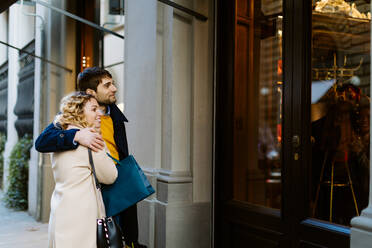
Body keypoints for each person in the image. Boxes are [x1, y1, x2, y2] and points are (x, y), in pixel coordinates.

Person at [35, 67, 146, 248]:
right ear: (90, 92)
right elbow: (41, 142)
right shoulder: (68, 120)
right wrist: (76, 136)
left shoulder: (115, 117)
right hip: (90, 192)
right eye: (107, 85)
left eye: (113, 84)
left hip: (117, 188)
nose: (114, 89)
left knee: (119, 237)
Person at [47, 92, 118, 247]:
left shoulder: (62, 137)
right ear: (79, 113)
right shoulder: (91, 139)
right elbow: (110, 175)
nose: (99, 114)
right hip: (83, 216)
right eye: (93, 109)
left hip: (60, 209)